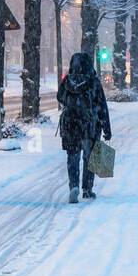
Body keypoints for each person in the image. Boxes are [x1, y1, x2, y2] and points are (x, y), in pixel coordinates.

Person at [57, 51, 111, 204]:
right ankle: (87, 189)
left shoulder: (67, 80)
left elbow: (60, 96)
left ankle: (74, 186)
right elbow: (102, 106)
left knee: (72, 157)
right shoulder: (93, 81)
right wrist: (107, 129)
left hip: (70, 124)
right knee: (90, 157)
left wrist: (70, 102)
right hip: (89, 125)